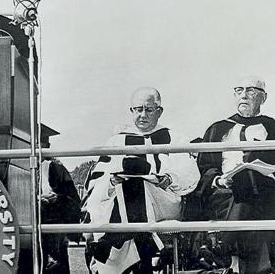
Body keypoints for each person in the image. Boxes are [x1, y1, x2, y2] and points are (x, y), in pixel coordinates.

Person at [83, 87, 199, 274]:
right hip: (120, 201)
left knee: (137, 184)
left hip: (162, 201)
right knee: (130, 184)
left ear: (159, 111)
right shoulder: (116, 142)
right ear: (131, 111)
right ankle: (142, 250)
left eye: (149, 109)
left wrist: (169, 178)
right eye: (138, 109)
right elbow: (97, 181)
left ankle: (113, 242)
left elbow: (190, 173)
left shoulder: (175, 138)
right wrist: (113, 182)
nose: (142, 115)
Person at [195, 76, 275, 274]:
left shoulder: (273, 127)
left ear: (263, 98)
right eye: (239, 90)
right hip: (224, 193)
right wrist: (219, 179)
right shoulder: (218, 128)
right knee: (243, 185)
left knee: (249, 183)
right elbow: (204, 167)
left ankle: (223, 247)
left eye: (250, 91)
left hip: (267, 191)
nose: (244, 95)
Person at [40, 159, 81, 274]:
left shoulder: (56, 168)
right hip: (25, 229)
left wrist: (58, 199)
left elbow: (73, 199)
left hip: (53, 227)